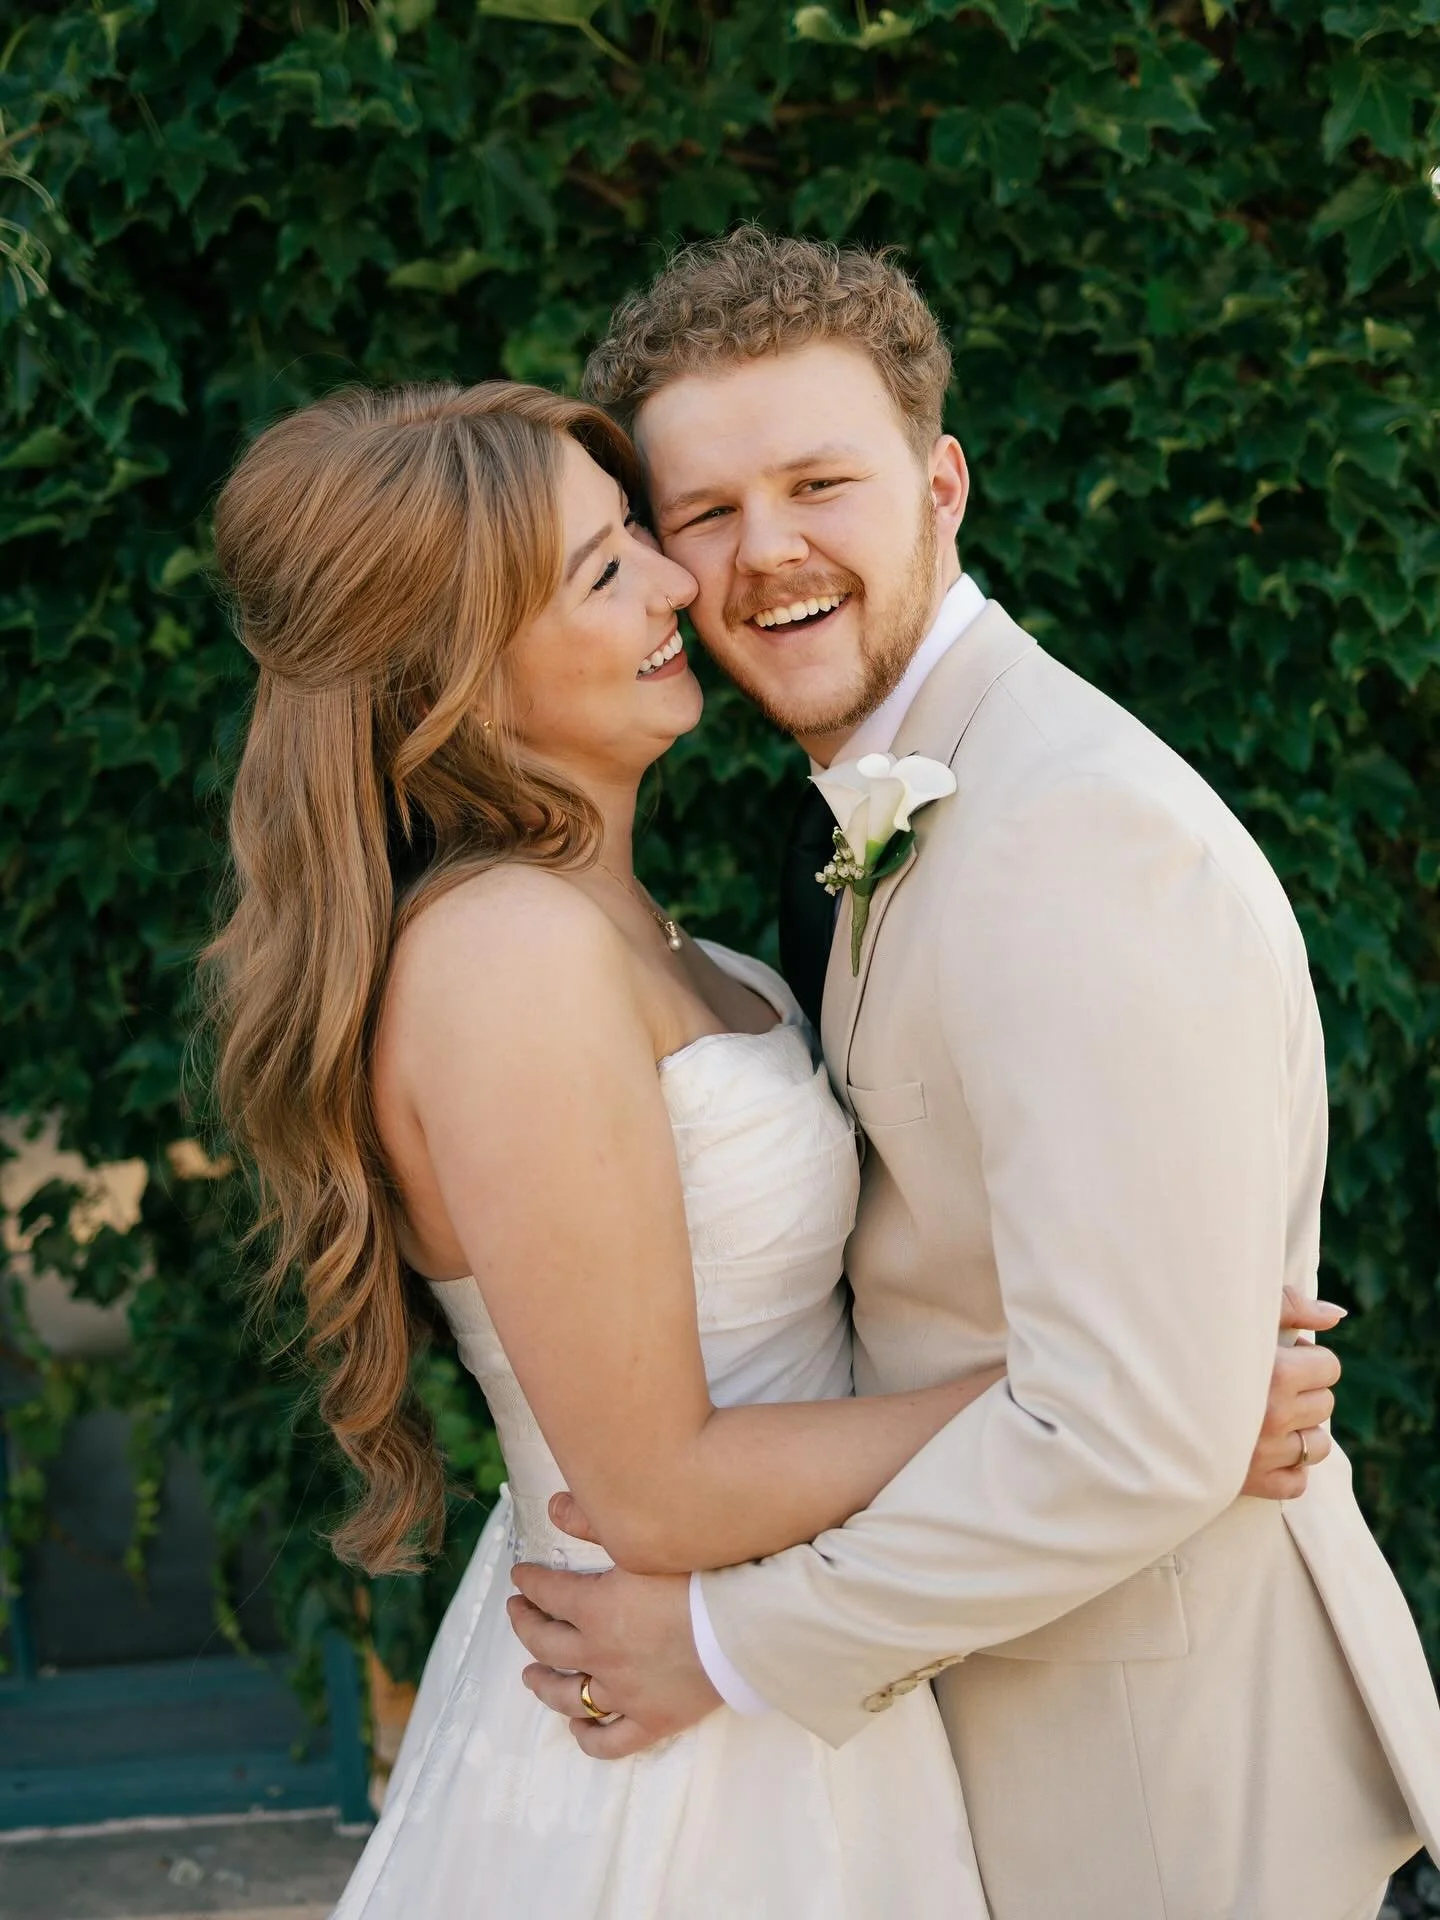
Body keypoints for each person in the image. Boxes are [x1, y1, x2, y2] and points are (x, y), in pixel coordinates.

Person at [206, 375, 1341, 1920]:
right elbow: (658, 1492)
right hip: (677, 1750)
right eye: (604, 572)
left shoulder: (651, 932)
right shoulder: (504, 960)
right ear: (458, 674)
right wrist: (1141, 1402)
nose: (680, 583)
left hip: (803, 1692)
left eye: (635, 536)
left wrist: (1150, 1376)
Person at [506, 231, 1440, 1920]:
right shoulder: (908, 802)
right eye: (706, 511)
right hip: (1021, 1736)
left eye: (820, 484)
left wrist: (725, 1638)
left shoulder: (1069, 832)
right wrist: (1179, 1391)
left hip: (1156, 1772)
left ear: (943, 488)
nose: (766, 550)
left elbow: (1127, 1436)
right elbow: (1107, 1371)